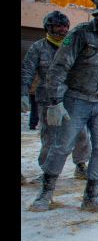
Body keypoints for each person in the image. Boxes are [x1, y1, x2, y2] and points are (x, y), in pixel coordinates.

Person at [31, 0, 98, 212]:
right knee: (61, 147)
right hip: (75, 99)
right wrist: (55, 100)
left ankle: (92, 196)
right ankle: (45, 193)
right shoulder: (80, 34)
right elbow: (59, 66)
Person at [21, 11, 92, 182]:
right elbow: (27, 72)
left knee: (81, 133)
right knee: (50, 136)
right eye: (58, 26)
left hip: (73, 97)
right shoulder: (38, 48)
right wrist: (23, 93)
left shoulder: (74, 46)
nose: (63, 30)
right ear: (49, 27)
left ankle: (81, 164)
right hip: (48, 100)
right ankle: (47, 170)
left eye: (65, 26)